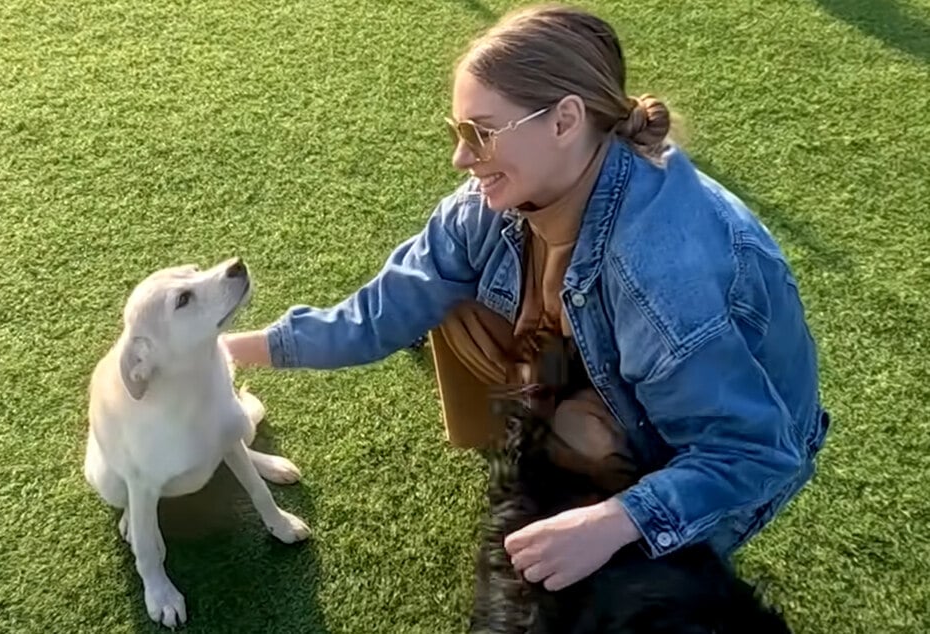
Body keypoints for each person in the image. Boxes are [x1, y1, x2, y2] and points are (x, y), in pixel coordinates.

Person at [222, 3, 829, 593]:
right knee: (445, 294)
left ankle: (608, 470)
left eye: (480, 133)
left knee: (609, 589)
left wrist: (614, 520)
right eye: (456, 132)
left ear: (564, 121)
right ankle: (559, 432)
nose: (461, 157)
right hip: (628, 375)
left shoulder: (662, 274)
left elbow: (752, 451)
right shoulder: (497, 203)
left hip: (731, 449)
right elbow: (386, 308)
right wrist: (229, 348)